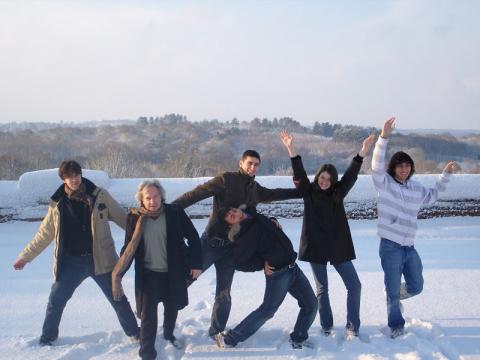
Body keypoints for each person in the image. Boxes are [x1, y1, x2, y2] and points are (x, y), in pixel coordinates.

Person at [172, 150, 300, 338]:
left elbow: (277, 194)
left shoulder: (255, 189)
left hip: (232, 249)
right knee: (185, 279)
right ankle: (152, 310)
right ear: (241, 163)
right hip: (210, 244)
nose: (252, 167)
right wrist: (168, 210)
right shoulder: (226, 179)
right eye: (249, 163)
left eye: (256, 164)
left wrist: (304, 193)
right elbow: (196, 194)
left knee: (224, 293)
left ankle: (216, 331)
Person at [12, 160, 139, 346]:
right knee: (55, 301)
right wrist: (25, 257)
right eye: (70, 177)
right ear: (63, 179)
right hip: (71, 263)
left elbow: (124, 220)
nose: (75, 180)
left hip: (102, 260)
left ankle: (136, 334)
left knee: (118, 298)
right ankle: (47, 339)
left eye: (77, 175)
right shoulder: (57, 204)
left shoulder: (99, 196)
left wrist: (147, 234)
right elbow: (44, 234)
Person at [280, 130, 375, 338]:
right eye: (322, 177)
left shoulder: (338, 193)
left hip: (338, 246)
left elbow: (352, 174)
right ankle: (326, 326)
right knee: (322, 289)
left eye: (328, 179)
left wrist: (363, 152)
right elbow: (299, 173)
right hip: (316, 247)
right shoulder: (308, 191)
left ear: (333, 181)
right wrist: (291, 148)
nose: (324, 181)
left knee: (354, 286)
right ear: (318, 177)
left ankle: (352, 327)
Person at [372, 117, 457, 338]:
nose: (404, 169)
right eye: (400, 165)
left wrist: (445, 176)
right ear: (393, 168)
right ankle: (396, 326)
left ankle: (393, 295)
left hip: (409, 247)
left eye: (407, 165)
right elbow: (376, 164)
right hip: (390, 246)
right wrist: (384, 136)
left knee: (416, 285)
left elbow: (433, 196)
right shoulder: (385, 183)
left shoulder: (415, 188)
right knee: (392, 291)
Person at [111, 179, 202, 359]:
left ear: (161, 196)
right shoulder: (135, 217)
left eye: (155, 196)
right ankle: (146, 352)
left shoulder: (174, 213)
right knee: (148, 315)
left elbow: (193, 237)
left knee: (172, 307)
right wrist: (120, 267)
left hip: (173, 272)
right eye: (148, 198)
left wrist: (196, 264)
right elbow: (128, 245)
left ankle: (168, 334)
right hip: (148, 275)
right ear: (141, 200)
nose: (152, 201)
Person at [213, 207, 317, 349]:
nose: (234, 213)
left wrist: (272, 220)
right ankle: (230, 338)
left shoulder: (253, 216)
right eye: (231, 216)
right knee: (267, 310)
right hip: (279, 274)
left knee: (311, 304)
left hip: (293, 268)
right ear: (232, 225)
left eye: (233, 210)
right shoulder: (244, 235)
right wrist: (262, 264)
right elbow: (239, 263)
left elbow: (266, 232)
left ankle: (298, 338)